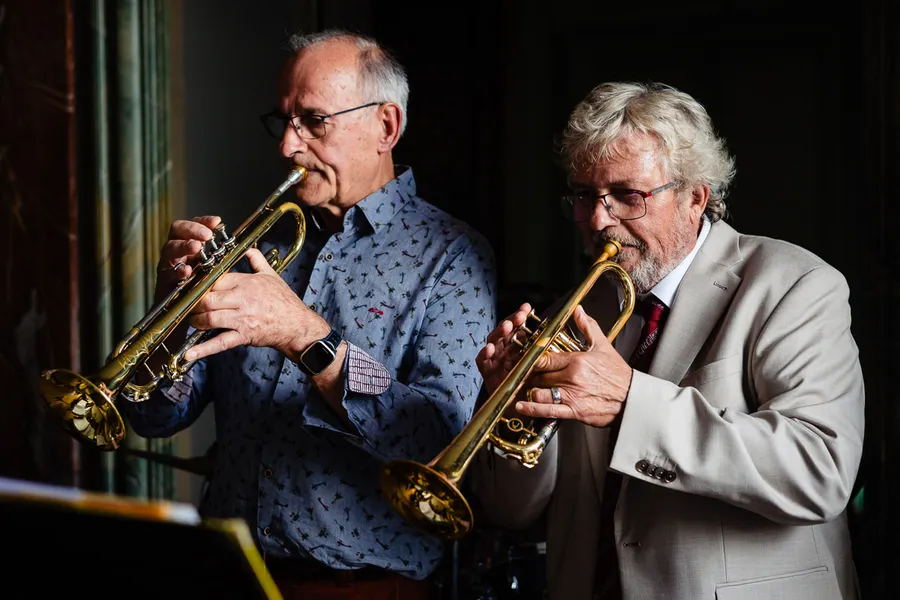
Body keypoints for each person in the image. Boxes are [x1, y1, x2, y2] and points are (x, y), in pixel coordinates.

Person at [121, 29, 497, 600]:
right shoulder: (260, 243)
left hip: (363, 588)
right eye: (285, 121)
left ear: (386, 127)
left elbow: (440, 442)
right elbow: (153, 419)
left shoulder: (452, 256)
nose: (288, 147)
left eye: (314, 122)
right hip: (226, 572)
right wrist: (167, 311)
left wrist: (306, 338)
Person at [472, 81, 864, 600]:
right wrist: (513, 407)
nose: (597, 220)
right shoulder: (576, 312)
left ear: (694, 197)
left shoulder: (794, 284)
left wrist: (631, 402)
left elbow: (819, 472)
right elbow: (510, 509)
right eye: (584, 195)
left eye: (627, 196)